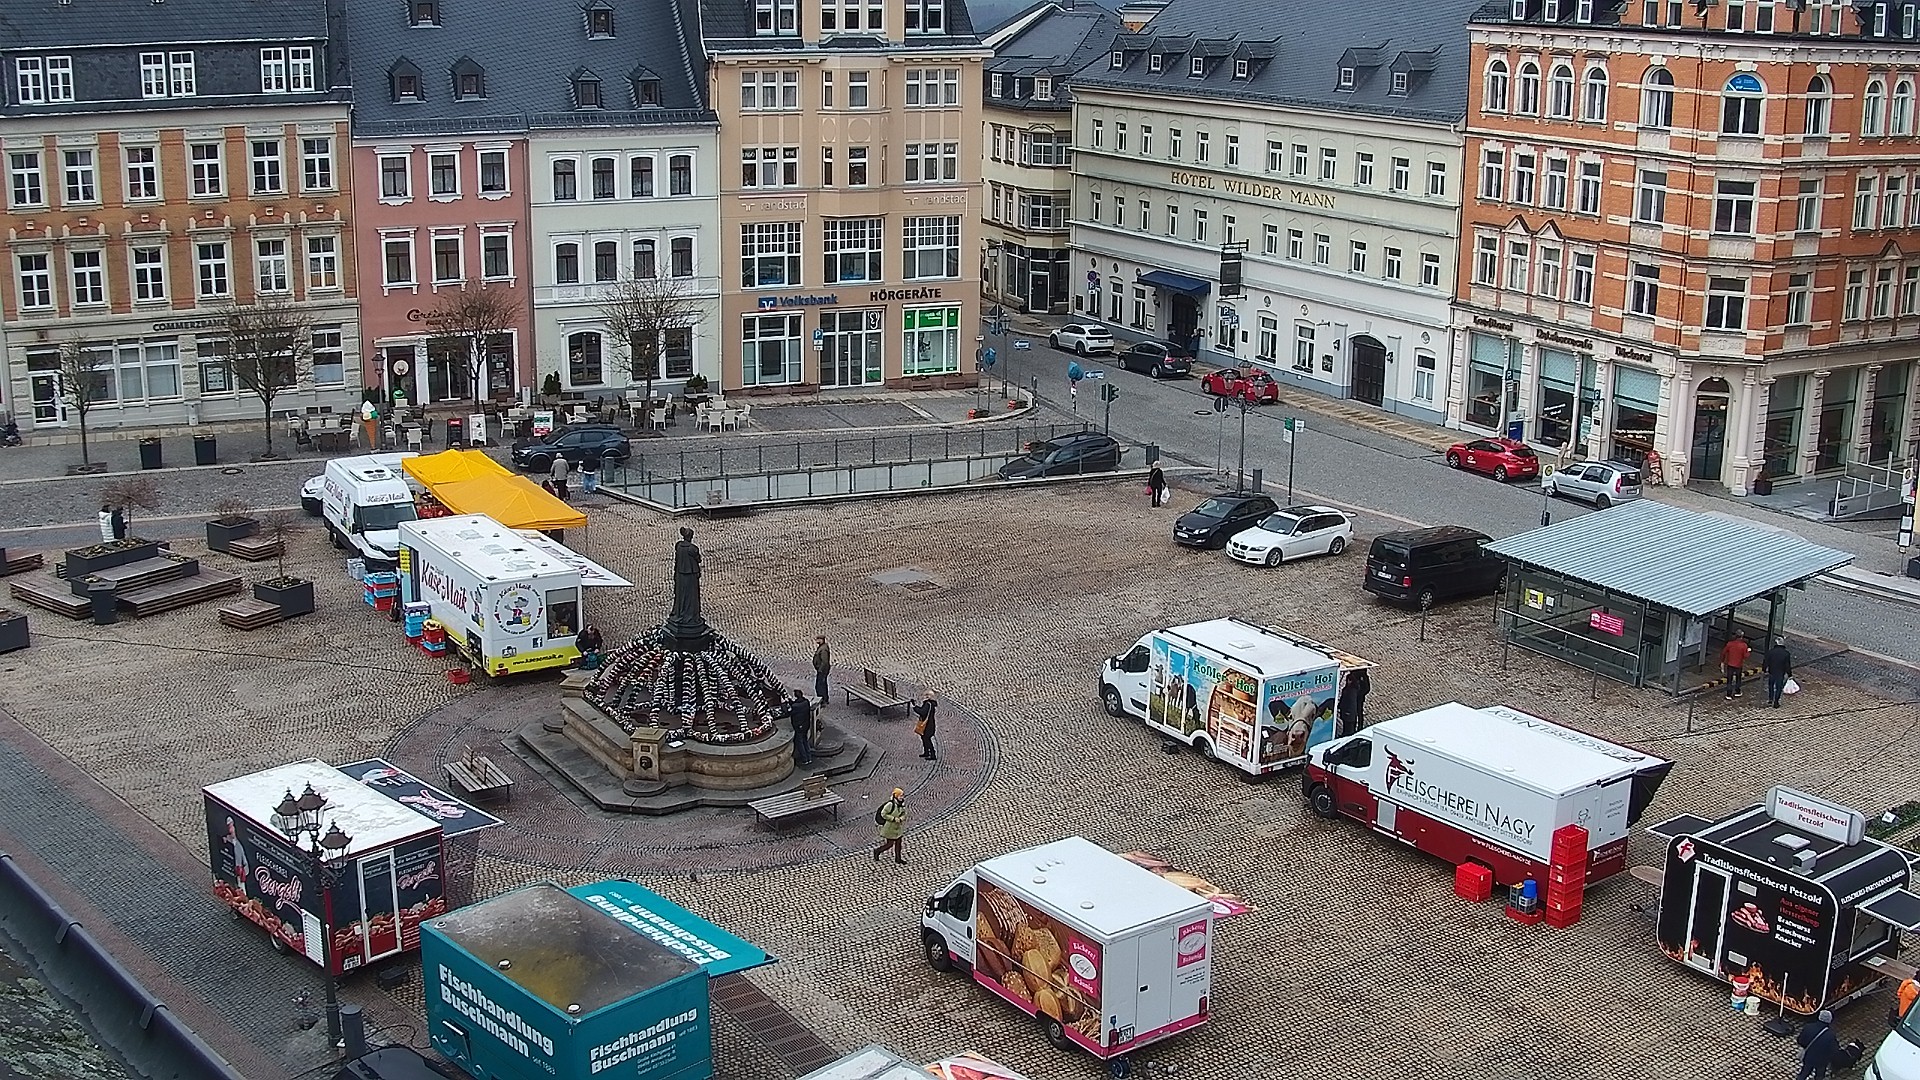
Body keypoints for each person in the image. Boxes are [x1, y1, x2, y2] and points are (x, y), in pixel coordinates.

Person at [1796, 1009, 1839, 1080]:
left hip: (1808, 1057)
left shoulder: (1808, 1027)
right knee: (1819, 1076)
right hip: (1821, 1061)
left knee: (1804, 1073)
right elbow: (1834, 1050)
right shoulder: (1830, 1035)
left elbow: (1800, 1041)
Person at [873, 788, 907, 864]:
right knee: (889, 844)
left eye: (902, 796)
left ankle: (898, 858)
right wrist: (893, 819)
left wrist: (901, 818)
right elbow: (883, 814)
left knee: (898, 843)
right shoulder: (890, 805)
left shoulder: (901, 804)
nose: (902, 797)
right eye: (900, 796)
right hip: (889, 828)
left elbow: (904, 814)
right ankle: (877, 851)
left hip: (897, 827)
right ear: (896, 796)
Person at [1764, 638, 1794, 708]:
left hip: (1772, 671)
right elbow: (1787, 665)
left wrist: (1764, 669)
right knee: (1779, 687)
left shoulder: (1771, 652)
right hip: (1780, 672)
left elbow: (1766, 661)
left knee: (1771, 686)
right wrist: (1789, 674)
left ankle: (1770, 699)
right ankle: (1776, 701)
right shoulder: (1786, 654)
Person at [1722, 631, 1751, 699]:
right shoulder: (1744, 645)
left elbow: (1723, 652)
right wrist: (1748, 651)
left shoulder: (1730, 644)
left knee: (1729, 679)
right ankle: (1737, 691)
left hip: (1730, 664)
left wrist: (1722, 661)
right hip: (1738, 665)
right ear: (1742, 636)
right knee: (1738, 678)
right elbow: (1745, 656)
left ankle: (1728, 694)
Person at [789, 691, 814, 766]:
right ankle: (809, 757)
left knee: (799, 742)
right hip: (806, 725)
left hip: (799, 726)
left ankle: (804, 759)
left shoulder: (795, 706)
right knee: (805, 740)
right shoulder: (806, 702)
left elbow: (789, 711)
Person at [912, 695, 938, 760]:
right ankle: (926, 752)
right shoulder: (930, 704)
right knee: (924, 738)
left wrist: (915, 707)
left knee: (927, 739)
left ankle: (932, 755)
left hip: (927, 727)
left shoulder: (927, 704)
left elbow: (922, 712)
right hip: (929, 725)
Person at [813, 636, 832, 703]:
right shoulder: (822, 647)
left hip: (822, 671)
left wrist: (820, 670)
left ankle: (823, 699)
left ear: (822, 640)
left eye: (818, 639)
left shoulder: (823, 649)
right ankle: (823, 698)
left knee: (820, 685)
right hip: (821, 670)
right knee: (821, 685)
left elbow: (825, 661)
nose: (817, 641)